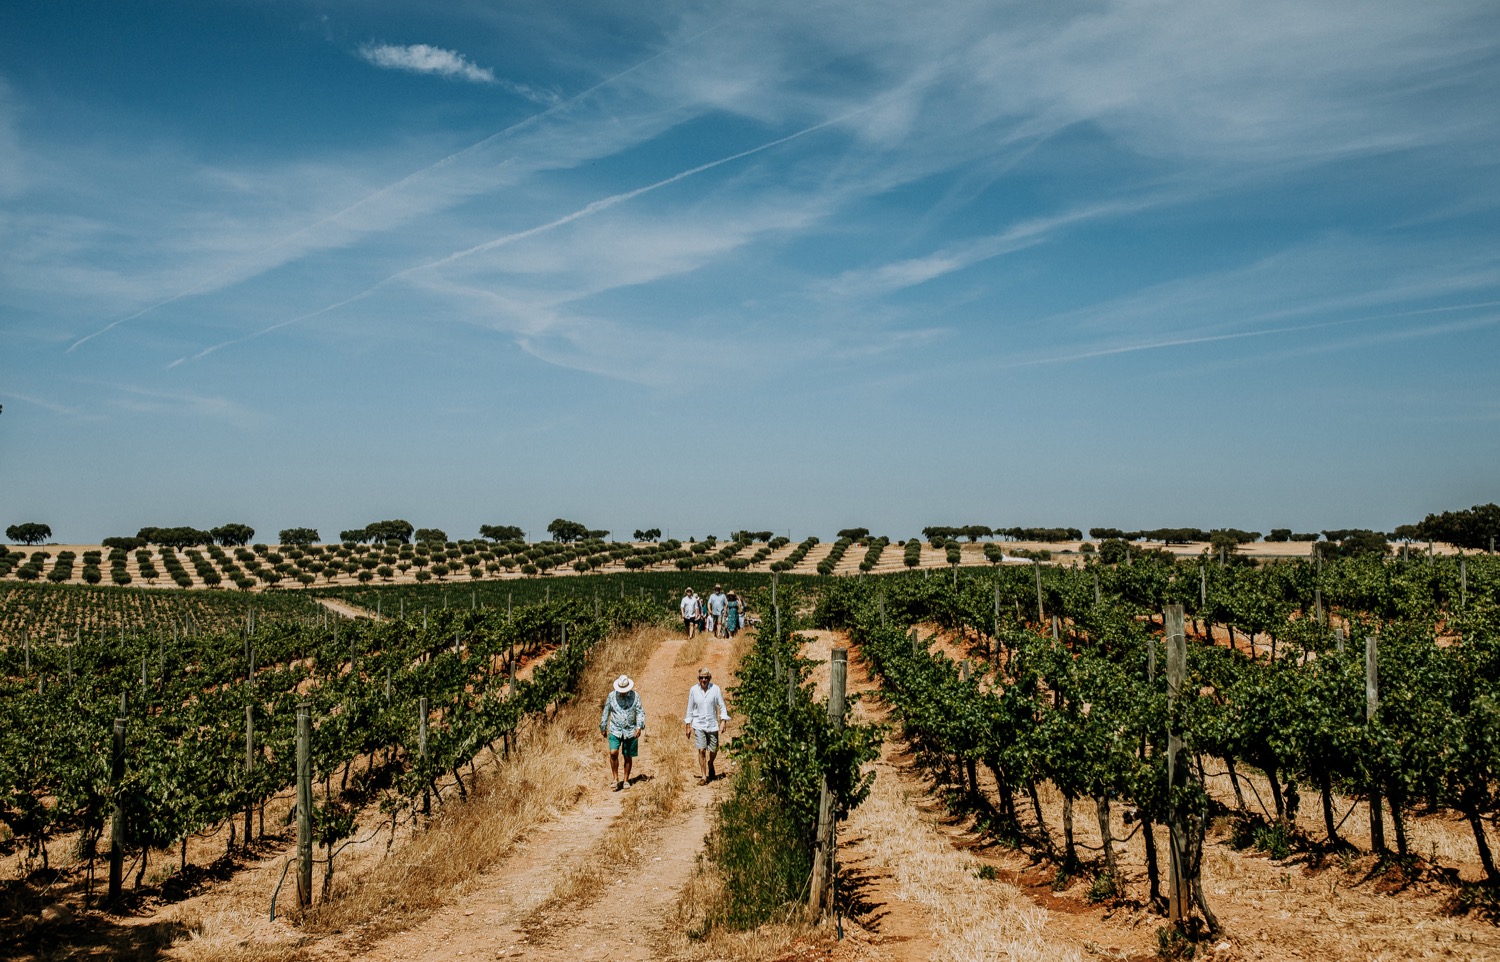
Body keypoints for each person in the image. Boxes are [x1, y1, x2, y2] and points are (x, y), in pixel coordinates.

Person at [684, 667, 730, 784]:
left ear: (709, 678)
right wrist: (688, 725)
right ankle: (704, 776)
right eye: (701, 678)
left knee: (714, 749)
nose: (703, 680)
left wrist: (723, 721)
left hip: (712, 724)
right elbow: (690, 708)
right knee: (702, 750)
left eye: (706, 677)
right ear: (698, 679)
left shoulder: (715, 689)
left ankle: (710, 763)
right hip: (699, 724)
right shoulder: (693, 690)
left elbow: (722, 706)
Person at [600, 674, 645, 791]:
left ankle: (625, 780)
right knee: (613, 752)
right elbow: (606, 711)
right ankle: (615, 779)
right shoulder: (611, 696)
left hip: (630, 730)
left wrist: (639, 727)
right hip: (615, 729)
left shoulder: (635, 696)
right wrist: (603, 726)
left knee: (627, 756)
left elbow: (640, 712)